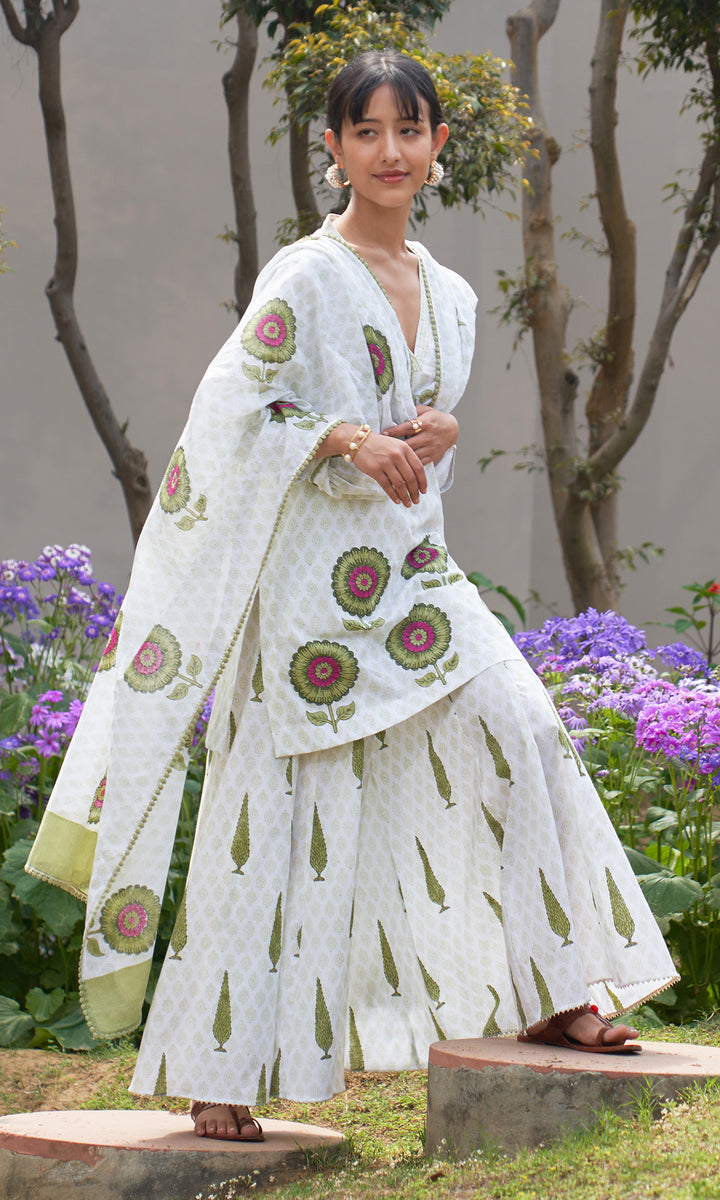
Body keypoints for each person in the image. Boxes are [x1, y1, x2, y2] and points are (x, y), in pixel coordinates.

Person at [27, 51, 677, 1142]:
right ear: (332, 149)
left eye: (408, 130)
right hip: (306, 601)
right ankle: (218, 1069)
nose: (389, 151)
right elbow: (230, 409)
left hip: (413, 580)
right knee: (270, 817)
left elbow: (418, 452)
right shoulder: (306, 276)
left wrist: (438, 434)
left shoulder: (455, 297)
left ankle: (559, 989)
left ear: (437, 146)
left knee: (524, 726)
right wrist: (341, 437)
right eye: (365, 131)